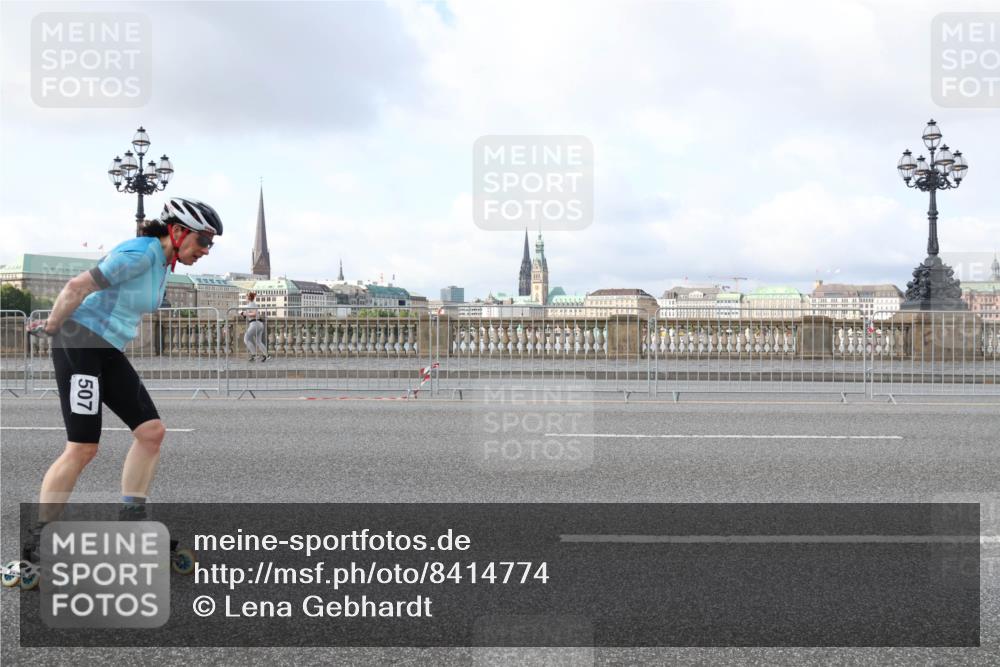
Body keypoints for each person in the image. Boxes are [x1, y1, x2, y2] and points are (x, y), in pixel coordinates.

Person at [22, 197, 222, 567]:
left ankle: (131, 523)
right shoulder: (140, 253)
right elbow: (76, 286)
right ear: (177, 232)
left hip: (107, 348)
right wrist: (51, 326)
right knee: (82, 447)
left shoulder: (164, 263)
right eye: (203, 241)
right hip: (80, 342)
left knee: (151, 432)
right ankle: (41, 538)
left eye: (211, 244)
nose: (206, 250)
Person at [241, 291, 269, 362]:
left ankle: (254, 355)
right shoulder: (253, 304)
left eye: (246, 296)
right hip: (259, 324)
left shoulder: (250, 304)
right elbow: (254, 313)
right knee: (258, 341)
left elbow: (254, 313)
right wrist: (245, 314)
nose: (245, 298)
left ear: (249, 297)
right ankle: (266, 355)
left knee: (246, 339)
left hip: (254, 324)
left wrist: (245, 313)